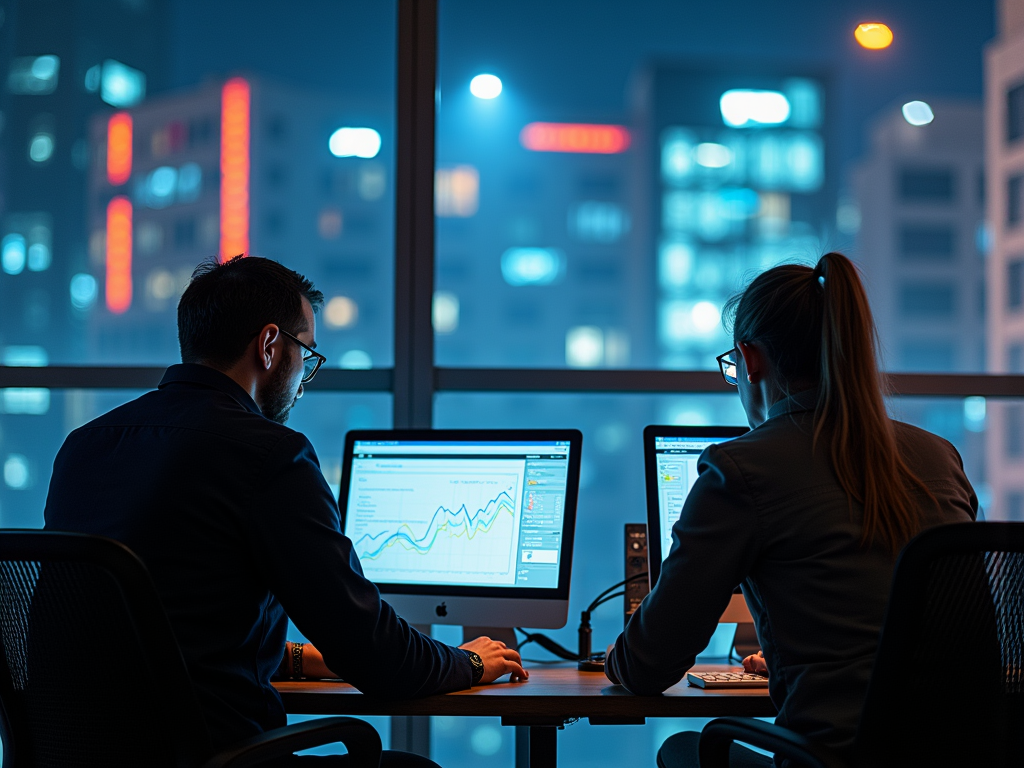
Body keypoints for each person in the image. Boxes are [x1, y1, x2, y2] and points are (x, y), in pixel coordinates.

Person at [44, 256, 527, 767]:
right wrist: (471, 662)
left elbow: (166, 626)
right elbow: (376, 656)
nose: (304, 377)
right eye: (307, 354)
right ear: (271, 345)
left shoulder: (84, 447)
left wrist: (296, 655)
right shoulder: (269, 455)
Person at [604, 252, 977, 768]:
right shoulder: (939, 456)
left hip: (832, 761)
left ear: (750, 359)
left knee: (683, 751)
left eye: (733, 367)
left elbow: (649, 665)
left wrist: (614, 659)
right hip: (963, 751)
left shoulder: (740, 469)